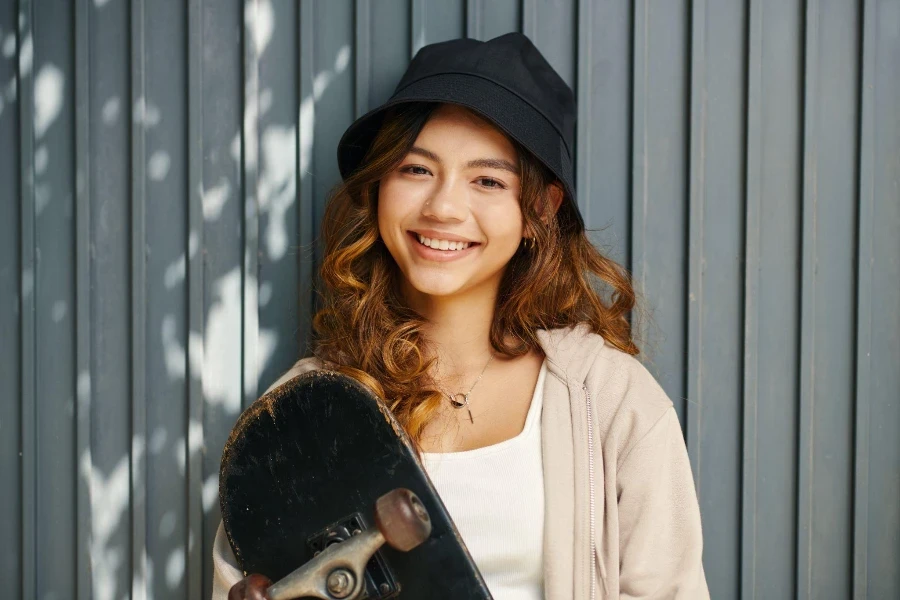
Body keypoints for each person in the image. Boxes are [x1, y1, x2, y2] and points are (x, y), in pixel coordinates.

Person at [213, 33, 709, 600]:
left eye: (488, 180)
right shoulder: (299, 415)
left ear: (539, 211)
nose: (443, 207)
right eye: (416, 170)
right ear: (379, 187)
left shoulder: (611, 401)